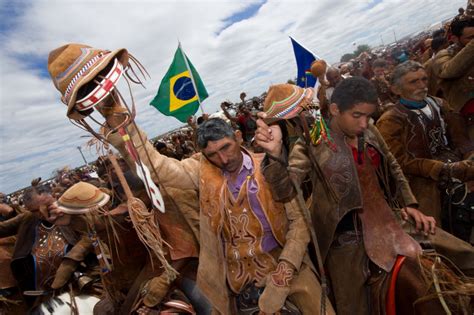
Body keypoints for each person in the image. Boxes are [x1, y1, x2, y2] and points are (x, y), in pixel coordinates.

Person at [46, 42, 331, 314]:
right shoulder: (201, 173)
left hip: (287, 274)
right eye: (212, 154)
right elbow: (154, 164)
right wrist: (118, 119)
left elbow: (300, 225)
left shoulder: (268, 165)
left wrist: (282, 278)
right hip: (234, 284)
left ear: (237, 137)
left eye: (225, 149)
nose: (222, 159)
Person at [255, 79, 473, 314]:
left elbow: (392, 165)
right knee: (353, 307)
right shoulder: (309, 144)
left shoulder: (369, 129)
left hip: (391, 219)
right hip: (347, 237)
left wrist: (410, 204)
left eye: (366, 116)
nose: (363, 123)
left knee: (463, 254)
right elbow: (287, 190)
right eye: (356, 115)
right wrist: (275, 156)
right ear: (336, 110)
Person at [376, 60, 474, 242]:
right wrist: (441, 168)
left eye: (424, 79)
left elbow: (461, 140)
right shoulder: (390, 121)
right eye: (413, 82)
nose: (422, 85)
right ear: (396, 90)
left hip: (458, 169)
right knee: (441, 238)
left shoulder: (440, 104)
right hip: (423, 184)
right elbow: (399, 162)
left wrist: (467, 163)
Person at [432, 1, 474, 139]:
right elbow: (449, 71)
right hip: (468, 123)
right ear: (455, 38)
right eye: (470, 38)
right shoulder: (443, 55)